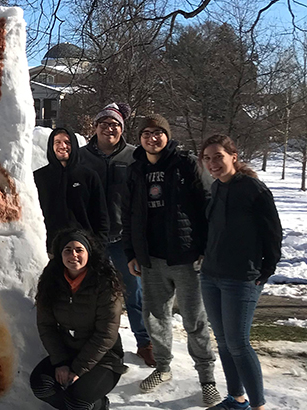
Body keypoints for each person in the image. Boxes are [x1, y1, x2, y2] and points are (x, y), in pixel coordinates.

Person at [122, 113, 220, 406]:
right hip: (151, 258)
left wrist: (204, 248)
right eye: (146, 133)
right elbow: (128, 215)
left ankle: (207, 379)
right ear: (140, 138)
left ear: (167, 135)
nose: (152, 138)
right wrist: (132, 253)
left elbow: (205, 205)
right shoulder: (135, 169)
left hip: (185, 257)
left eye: (158, 133)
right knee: (155, 318)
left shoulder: (185, 163)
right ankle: (163, 368)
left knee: (194, 320)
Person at [199, 135, 281, 410]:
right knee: (222, 341)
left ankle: (258, 405)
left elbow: (272, 232)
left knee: (238, 344)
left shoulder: (252, 189)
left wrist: (267, 268)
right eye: (207, 158)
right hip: (211, 275)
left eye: (218, 156)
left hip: (241, 277)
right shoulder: (217, 188)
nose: (213, 163)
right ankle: (236, 399)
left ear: (233, 156)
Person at [80, 102, 154, 366]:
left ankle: (145, 342)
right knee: (91, 293)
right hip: (91, 239)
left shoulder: (135, 156)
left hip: (124, 239)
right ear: (96, 127)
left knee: (134, 294)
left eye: (115, 125)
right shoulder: (81, 157)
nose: (109, 129)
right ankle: (91, 343)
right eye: (104, 124)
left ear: (122, 129)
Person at [30, 229, 126, 410]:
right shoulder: (51, 282)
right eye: (67, 250)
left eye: (79, 249)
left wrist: (78, 369)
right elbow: (46, 326)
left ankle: (98, 405)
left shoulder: (106, 283)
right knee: (41, 386)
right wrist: (60, 362)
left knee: (77, 400)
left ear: (88, 253)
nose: (73, 255)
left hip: (103, 358)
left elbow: (106, 333)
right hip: (68, 351)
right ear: (60, 254)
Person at [34, 127, 109, 250]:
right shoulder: (38, 177)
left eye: (67, 142)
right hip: (49, 249)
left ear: (74, 145)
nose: (62, 146)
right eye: (57, 142)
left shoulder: (89, 176)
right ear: (51, 146)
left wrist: (98, 247)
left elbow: (100, 215)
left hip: (83, 248)